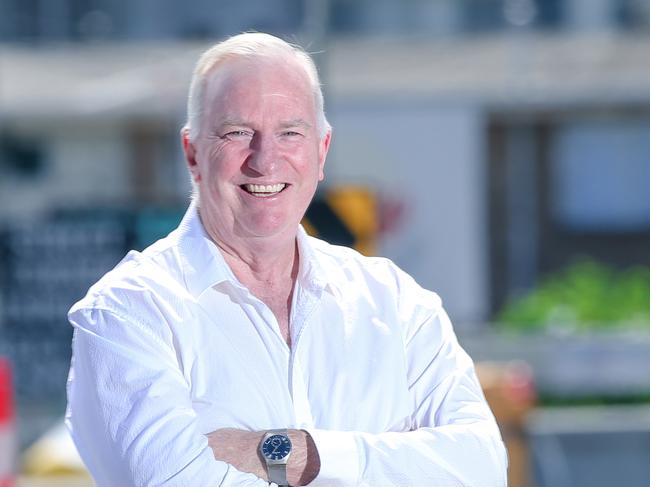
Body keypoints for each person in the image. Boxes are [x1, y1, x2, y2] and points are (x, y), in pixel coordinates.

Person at [66, 32, 507, 486]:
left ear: (321, 152)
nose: (265, 160)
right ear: (193, 153)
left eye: (289, 133)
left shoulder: (394, 302)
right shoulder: (129, 313)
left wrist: (292, 451)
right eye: (237, 133)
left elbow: (481, 469)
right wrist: (390, 461)